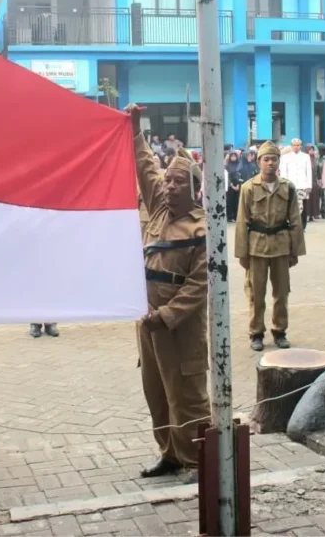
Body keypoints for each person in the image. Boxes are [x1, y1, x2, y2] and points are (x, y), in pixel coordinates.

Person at [128, 103, 210, 485]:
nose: (170, 186)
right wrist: (135, 129)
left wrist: (167, 315)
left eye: (179, 182)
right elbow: (146, 167)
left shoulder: (203, 229)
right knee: (157, 392)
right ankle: (170, 454)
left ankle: (197, 461)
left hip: (180, 328)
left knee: (187, 395)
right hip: (148, 324)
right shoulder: (159, 209)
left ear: (194, 188)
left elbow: (199, 285)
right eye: (168, 180)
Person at [236, 141, 305, 352]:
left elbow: (295, 220)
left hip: (281, 245)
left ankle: (280, 331)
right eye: (266, 159)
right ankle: (256, 332)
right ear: (259, 162)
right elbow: (242, 222)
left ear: (278, 162)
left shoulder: (287, 187)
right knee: (256, 293)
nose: (270, 163)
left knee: (282, 292)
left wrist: (295, 251)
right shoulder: (248, 188)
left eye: (274, 159)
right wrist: (242, 253)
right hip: (256, 246)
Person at [280, 138, 312, 229]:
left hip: (302, 185)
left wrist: (309, 185)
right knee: (291, 206)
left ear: (300, 146)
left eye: (298, 145)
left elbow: (308, 171)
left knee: (303, 207)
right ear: (291, 146)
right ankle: (292, 225)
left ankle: (303, 226)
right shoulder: (285, 157)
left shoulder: (305, 156)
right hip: (290, 185)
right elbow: (283, 172)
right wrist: (284, 185)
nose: (296, 147)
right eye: (294, 145)